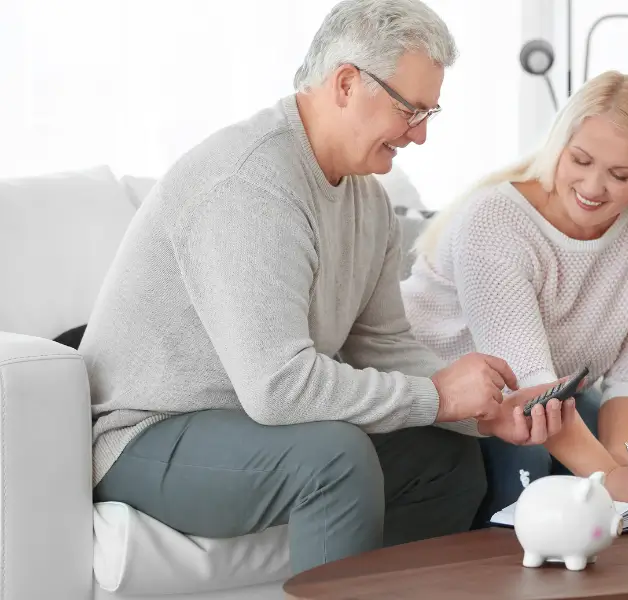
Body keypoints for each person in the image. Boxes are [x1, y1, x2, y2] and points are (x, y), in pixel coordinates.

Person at [82, 0, 574, 576]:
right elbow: (279, 388)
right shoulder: (251, 182)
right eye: (410, 110)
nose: (419, 136)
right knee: (334, 458)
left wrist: (480, 414)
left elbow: (383, 347)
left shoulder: (369, 201)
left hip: (248, 424)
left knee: (444, 458)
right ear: (346, 83)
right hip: (147, 435)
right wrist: (438, 398)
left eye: (429, 113)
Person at [401, 70, 628, 525]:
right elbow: (528, 386)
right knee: (529, 467)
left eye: (620, 175)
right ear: (558, 146)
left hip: (540, 399)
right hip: (444, 397)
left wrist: (617, 463)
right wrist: (605, 478)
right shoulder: (495, 220)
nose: (592, 188)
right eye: (581, 161)